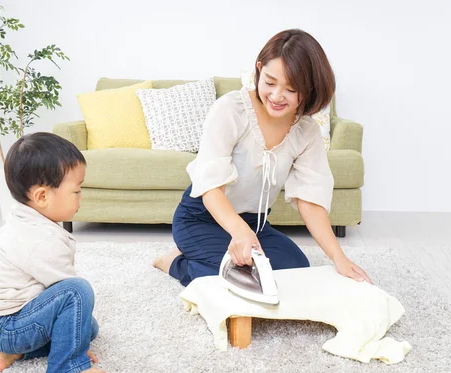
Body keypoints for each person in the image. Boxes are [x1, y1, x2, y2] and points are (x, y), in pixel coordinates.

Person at [154, 29, 372, 287]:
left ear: (309, 90)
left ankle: (212, 257)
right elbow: (211, 188)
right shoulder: (231, 110)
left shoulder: (306, 131)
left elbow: (310, 202)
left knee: (295, 270)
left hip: (254, 223)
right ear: (259, 69)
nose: (277, 96)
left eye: (291, 89)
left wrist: (340, 258)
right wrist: (239, 232)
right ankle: (176, 262)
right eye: (270, 82)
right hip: (200, 218)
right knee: (235, 280)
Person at [0, 132, 110, 373]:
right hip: (7, 325)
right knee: (78, 292)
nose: (81, 197)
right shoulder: (39, 238)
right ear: (42, 197)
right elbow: (67, 292)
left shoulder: (26, 219)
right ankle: (65, 369)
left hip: (4, 323)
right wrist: (74, 345)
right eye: (76, 191)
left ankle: (17, 353)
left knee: (88, 328)